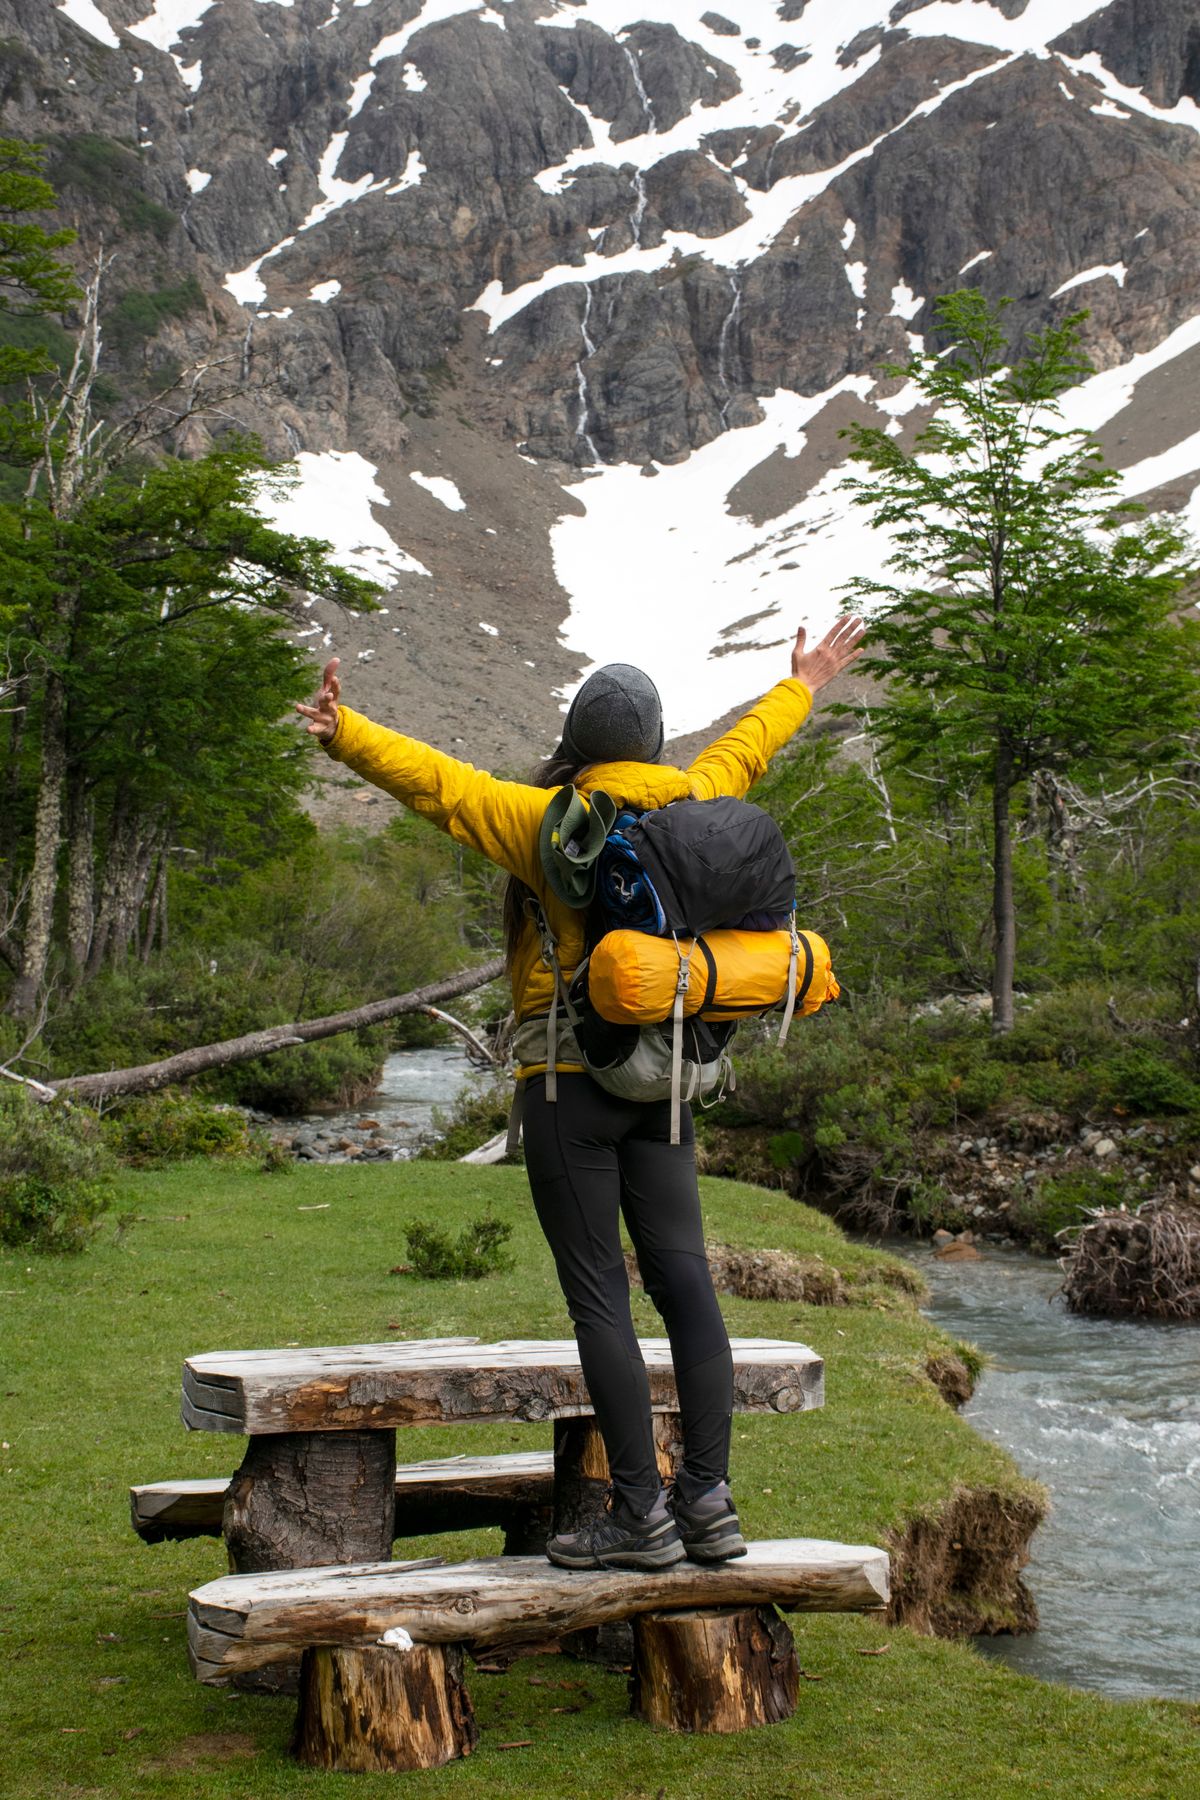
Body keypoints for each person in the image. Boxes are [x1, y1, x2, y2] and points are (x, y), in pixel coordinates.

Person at [297, 615, 864, 1571]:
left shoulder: (543, 821)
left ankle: (638, 1516)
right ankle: (709, 1506)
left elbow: (441, 786)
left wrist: (346, 731)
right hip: (671, 1078)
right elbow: (745, 751)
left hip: (569, 1086)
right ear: (650, 743)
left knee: (601, 1299)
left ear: (578, 739)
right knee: (687, 1284)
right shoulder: (692, 797)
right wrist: (802, 683)